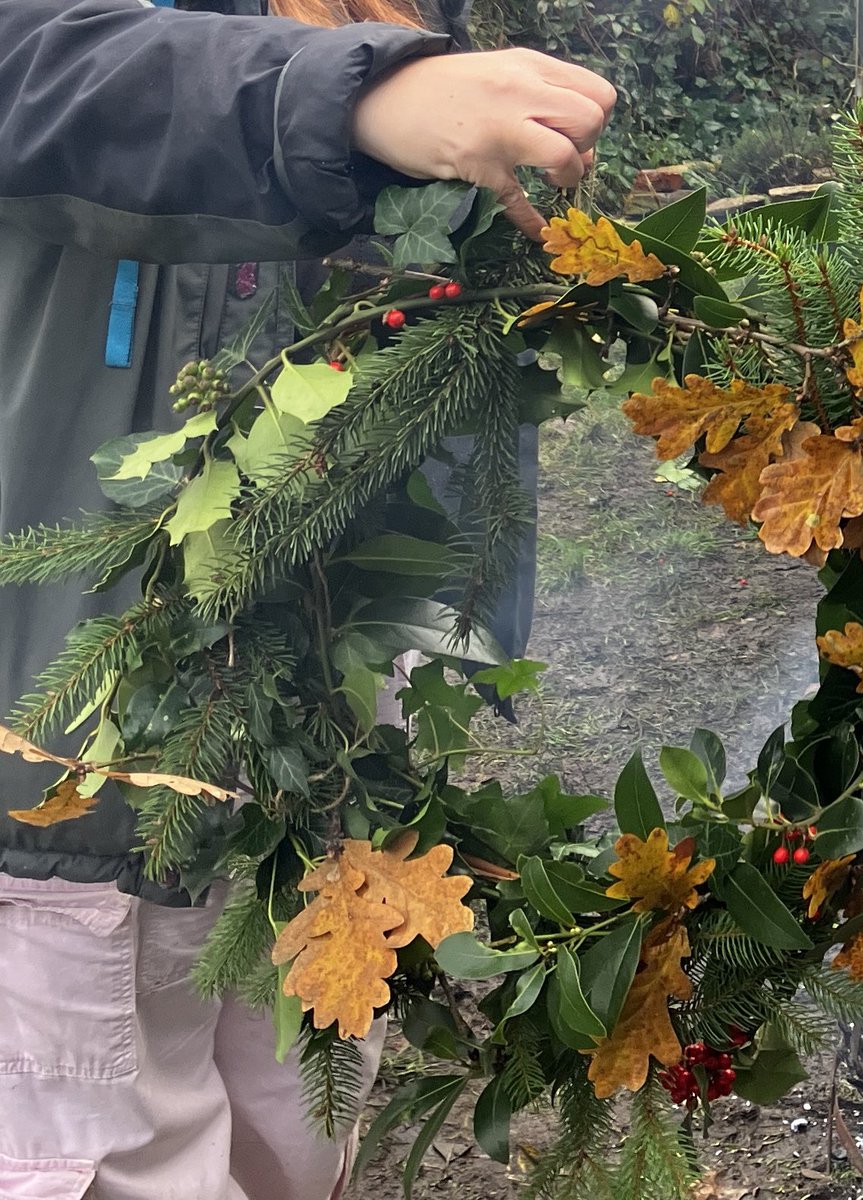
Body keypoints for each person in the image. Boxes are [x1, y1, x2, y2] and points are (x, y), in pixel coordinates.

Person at [0, 1, 615, 1196]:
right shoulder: (344, 64)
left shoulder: (364, 20)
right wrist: (339, 101)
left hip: (302, 753)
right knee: (105, 1150)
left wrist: (452, 619)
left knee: (298, 1127)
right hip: (51, 755)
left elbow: (432, 332)